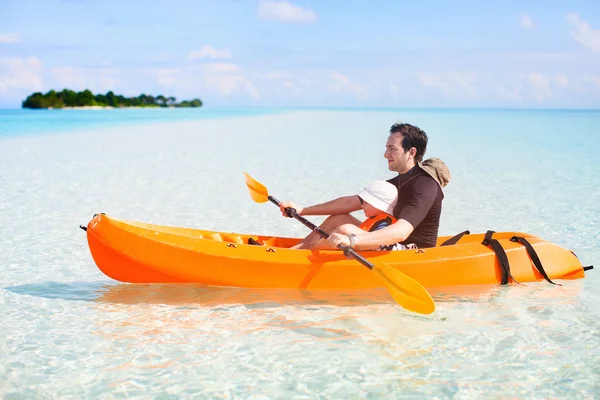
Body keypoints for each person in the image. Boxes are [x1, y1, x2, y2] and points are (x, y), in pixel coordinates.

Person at [279, 122, 450, 251]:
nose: (385, 154)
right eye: (386, 148)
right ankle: (296, 253)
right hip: (389, 243)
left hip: (411, 252)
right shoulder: (397, 182)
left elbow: (401, 232)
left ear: (411, 152)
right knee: (338, 219)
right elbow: (350, 203)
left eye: (392, 149)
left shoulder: (425, 186)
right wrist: (302, 210)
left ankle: (297, 261)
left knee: (345, 229)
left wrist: (352, 240)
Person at [290, 180, 399, 250]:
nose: (362, 206)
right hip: (364, 242)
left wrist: (349, 239)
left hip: (373, 250)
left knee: (346, 228)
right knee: (339, 218)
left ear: (378, 205)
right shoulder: (376, 217)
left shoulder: (385, 223)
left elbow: (377, 243)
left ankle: (310, 249)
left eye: (366, 202)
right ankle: (300, 248)